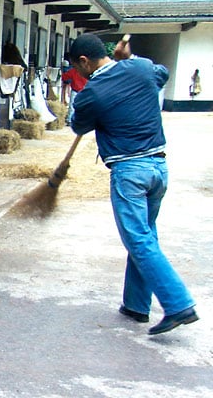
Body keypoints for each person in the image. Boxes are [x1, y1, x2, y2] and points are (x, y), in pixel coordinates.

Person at [69, 34, 198, 335]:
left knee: (138, 240)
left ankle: (178, 304)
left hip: (129, 171)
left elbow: (78, 125)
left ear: (84, 61)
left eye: (77, 67)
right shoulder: (139, 69)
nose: (78, 73)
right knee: (145, 236)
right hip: (159, 167)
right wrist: (129, 60)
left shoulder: (92, 93)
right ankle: (137, 305)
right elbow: (161, 75)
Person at [61, 61, 88, 125]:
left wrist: (61, 74)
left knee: (72, 106)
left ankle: (70, 120)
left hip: (75, 90)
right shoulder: (87, 71)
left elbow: (64, 77)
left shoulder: (74, 71)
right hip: (85, 91)